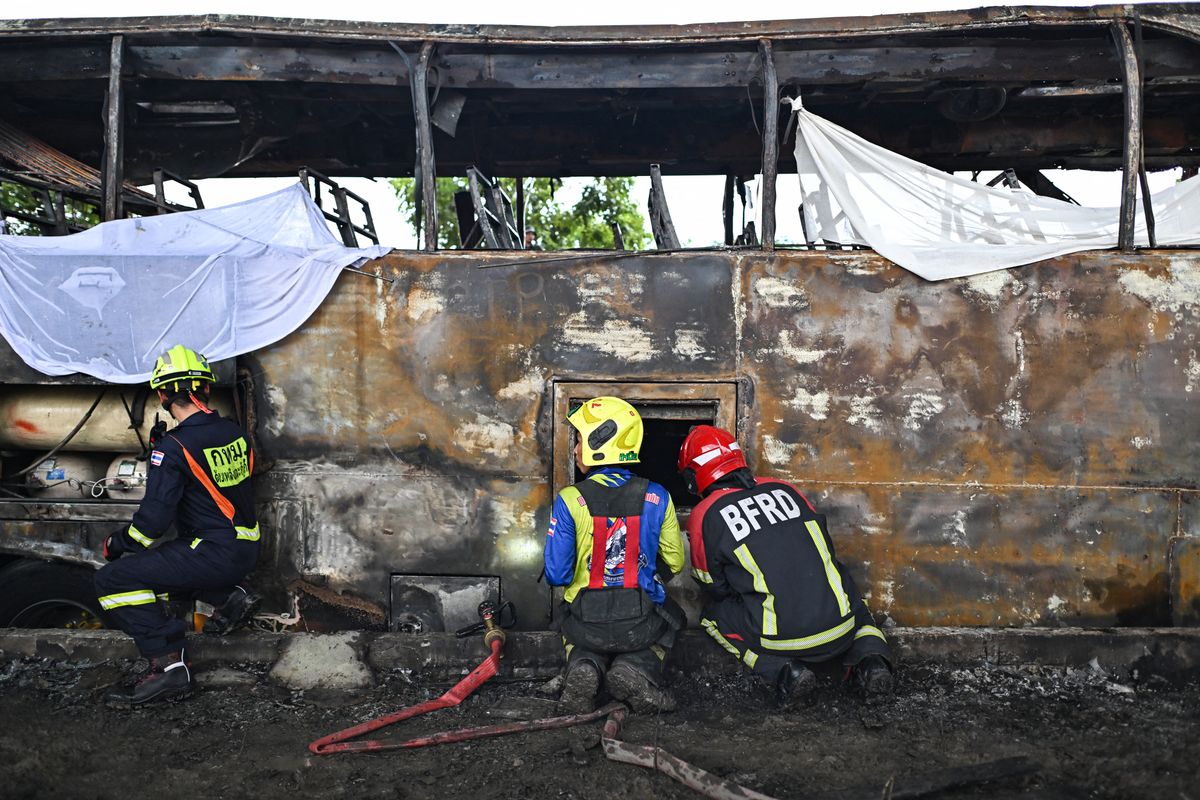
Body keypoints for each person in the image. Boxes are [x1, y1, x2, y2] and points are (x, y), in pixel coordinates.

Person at [677, 425, 893, 709]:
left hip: (781, 640)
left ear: (693, 477)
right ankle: (873, 661)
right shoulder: (785, 488)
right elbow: (824, 552)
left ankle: (784, 673)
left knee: (713, 617)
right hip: (841, 627)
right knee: (852, 597)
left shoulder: (705, 514)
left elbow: (714, 586)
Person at [95, 345, 261, 707]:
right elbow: (229, 482)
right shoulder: (235, 433)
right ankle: (228, 595)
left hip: (213, 553)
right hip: (244, 547)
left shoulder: (173, 447)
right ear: (204, 388)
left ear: (162, 394)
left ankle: (168, 670)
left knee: (114, 580)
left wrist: (118, 544)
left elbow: (152, 524)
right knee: (168, 571)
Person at [544, 396, 686, 713]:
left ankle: (584, 667)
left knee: (573, 629)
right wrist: (643, 577)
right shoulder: (657, 495)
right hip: (641, 623)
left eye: (580, 439)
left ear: (600, 441)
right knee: (674, 619)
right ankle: (635, 668)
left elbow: (557, 575)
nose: (576, 449)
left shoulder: (570, 499)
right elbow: (675, 561)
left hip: (585, 623)